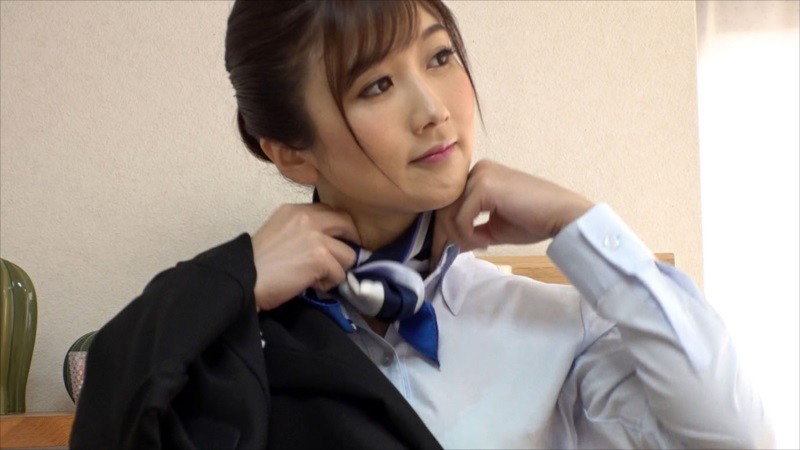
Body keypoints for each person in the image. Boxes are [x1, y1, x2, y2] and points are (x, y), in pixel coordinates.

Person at [71, 1, 773, 448]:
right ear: (289, 151)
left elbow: (736, 438)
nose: (433, 109)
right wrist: (229, 279)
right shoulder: (233, 341)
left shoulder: (555, 324)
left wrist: (578, 220)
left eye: (440, 57)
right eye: (376, 85)